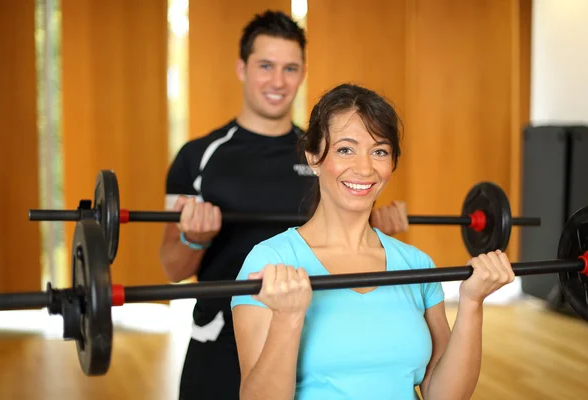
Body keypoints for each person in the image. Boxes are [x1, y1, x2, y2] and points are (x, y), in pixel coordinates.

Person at [160, 11, 410, 400]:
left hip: (303, 335)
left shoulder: (324, 154)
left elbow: (350, 233)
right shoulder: (197, 157)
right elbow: (172, 268)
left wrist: (377, 228)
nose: (278, 81)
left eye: (290, 68)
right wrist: (194, 239)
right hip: (218, 339)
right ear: (242, 68)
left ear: (303, 72)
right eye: (266, 66)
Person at [230, 83, 516, 400]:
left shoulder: (417, 265)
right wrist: (288, 317)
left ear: (392, 162)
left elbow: (445, 395)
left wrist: (472, 304)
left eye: (379, 151)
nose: (364, 168)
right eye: (345, 149)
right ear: (313, 158)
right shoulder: (269, 262)